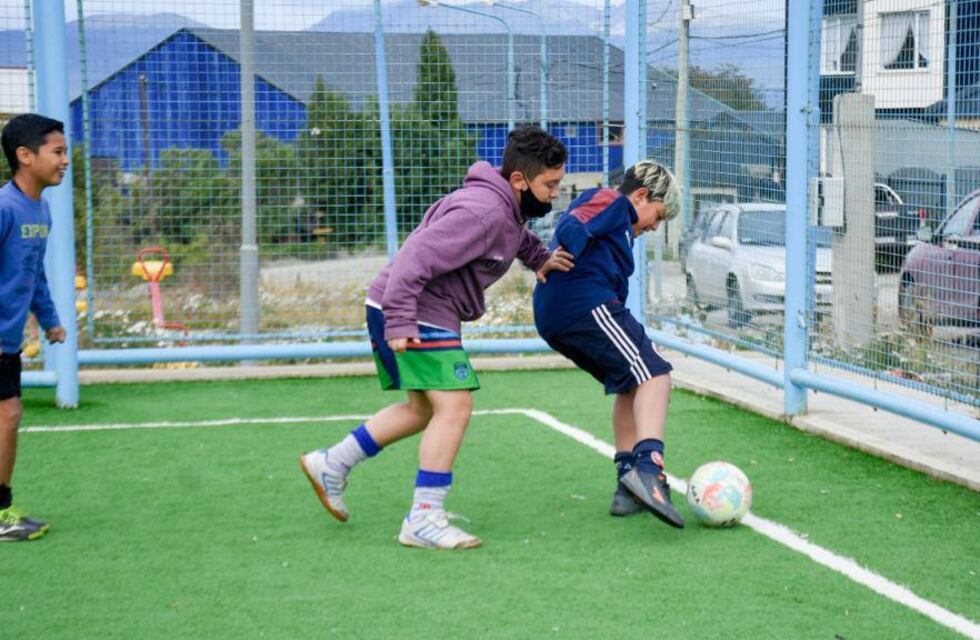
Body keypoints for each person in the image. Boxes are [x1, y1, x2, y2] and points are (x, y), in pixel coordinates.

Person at [301, 126, 574, 549]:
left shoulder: (504, 210)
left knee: (422, 409)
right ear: (519, 181)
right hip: (412, 309)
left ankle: (331, 464)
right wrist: (401, 321)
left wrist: (540, 258)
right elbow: (416, 256)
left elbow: (514, 236)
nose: (555, 193)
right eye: (550, 184)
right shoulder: (483, 211)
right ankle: (424, 518)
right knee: (455, 403)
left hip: (412, 308)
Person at [532, 161, 684, 528]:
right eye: (658, 216)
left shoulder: (620, 229)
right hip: (581, 306)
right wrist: (561, 247)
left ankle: (626, 485)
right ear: (642, 196)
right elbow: (572, 225)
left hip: (563, 313)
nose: (654, 226)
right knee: (656, 375)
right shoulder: (611, 202)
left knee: (630, 383)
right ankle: (648, 471)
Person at [0, 114, 69, 541]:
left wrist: (50, 320)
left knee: (8, 416)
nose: (65, 160)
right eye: (57, 152)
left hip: (8, 342)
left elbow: (33, 273)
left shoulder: (39, 209)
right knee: (8, 415)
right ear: (25, 156)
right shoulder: (5, 208)